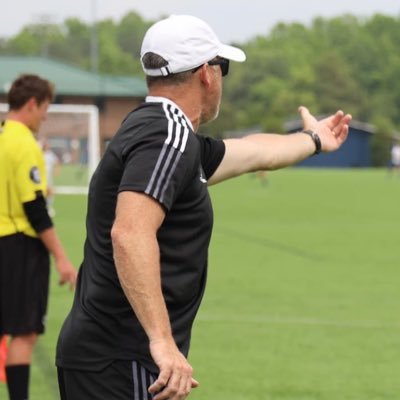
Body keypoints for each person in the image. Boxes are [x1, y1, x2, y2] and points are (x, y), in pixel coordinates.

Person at [56, 15, 351, 400]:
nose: (222, 79)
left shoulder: (161, 131)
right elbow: (129, 233)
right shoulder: (168, 136)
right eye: (221, 67)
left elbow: (254, 151)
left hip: (105, 357)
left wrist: (315, 138)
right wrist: (162, 343)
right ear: (205, 74)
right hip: (122, 360)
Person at [0, 74, 77, 400]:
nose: (46, 115)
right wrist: (60, 257)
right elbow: (33, 206)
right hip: (19, 244)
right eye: (45, 107)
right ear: (32, 104)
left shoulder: (3, 138)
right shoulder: (24, 143)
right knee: (24, 332)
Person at [41, 138, 61, 217]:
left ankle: (49, 207)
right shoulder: (39, 153)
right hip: (40, 177)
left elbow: (57, 162)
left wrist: (57, 171)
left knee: (50, 191)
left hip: (48, 177)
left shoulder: (50, 154)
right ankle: (42, 207)